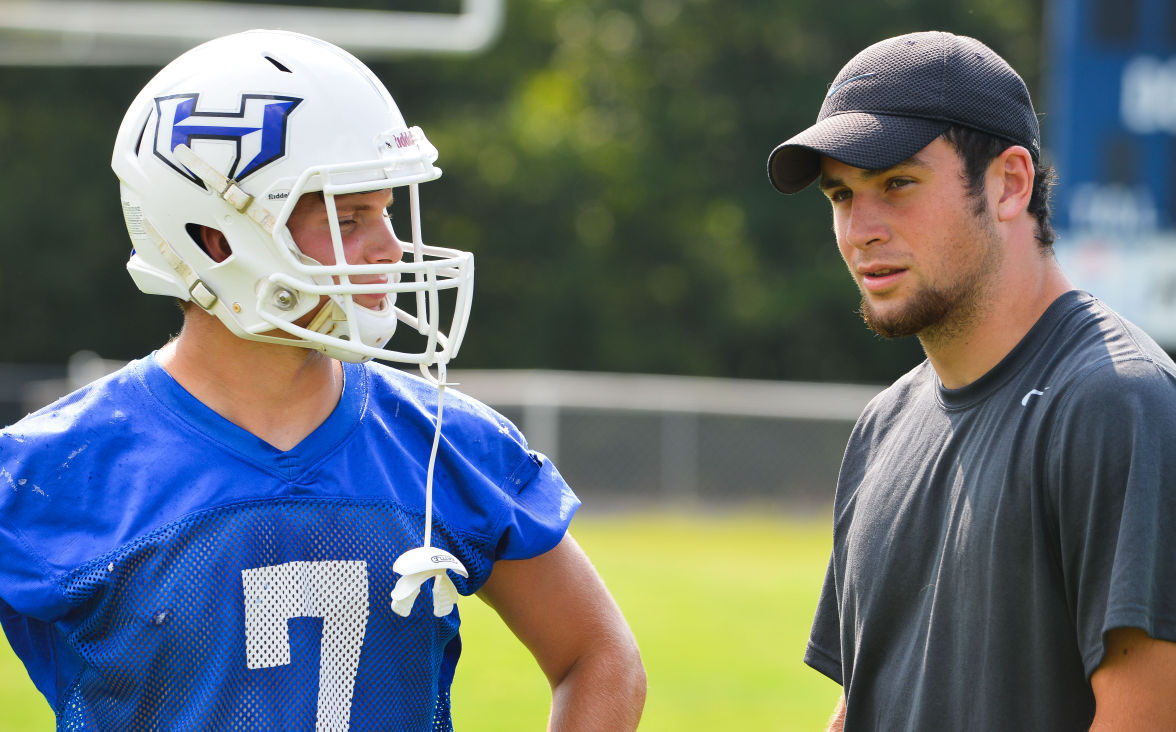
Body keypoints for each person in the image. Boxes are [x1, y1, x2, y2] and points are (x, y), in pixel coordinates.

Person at [0, 29, 644, 730]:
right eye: (348, 217)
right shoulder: (46, 475)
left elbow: (598, 655)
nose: (391, 251)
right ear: (215, 239)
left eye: (386, 213)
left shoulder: (440, 444)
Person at [766, 30, 1176, 730]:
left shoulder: (1118, 403)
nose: (860, 229)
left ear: (1010, 182)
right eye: (841, 195)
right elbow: (863, 705)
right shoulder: (884, 426)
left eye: (897, 183)